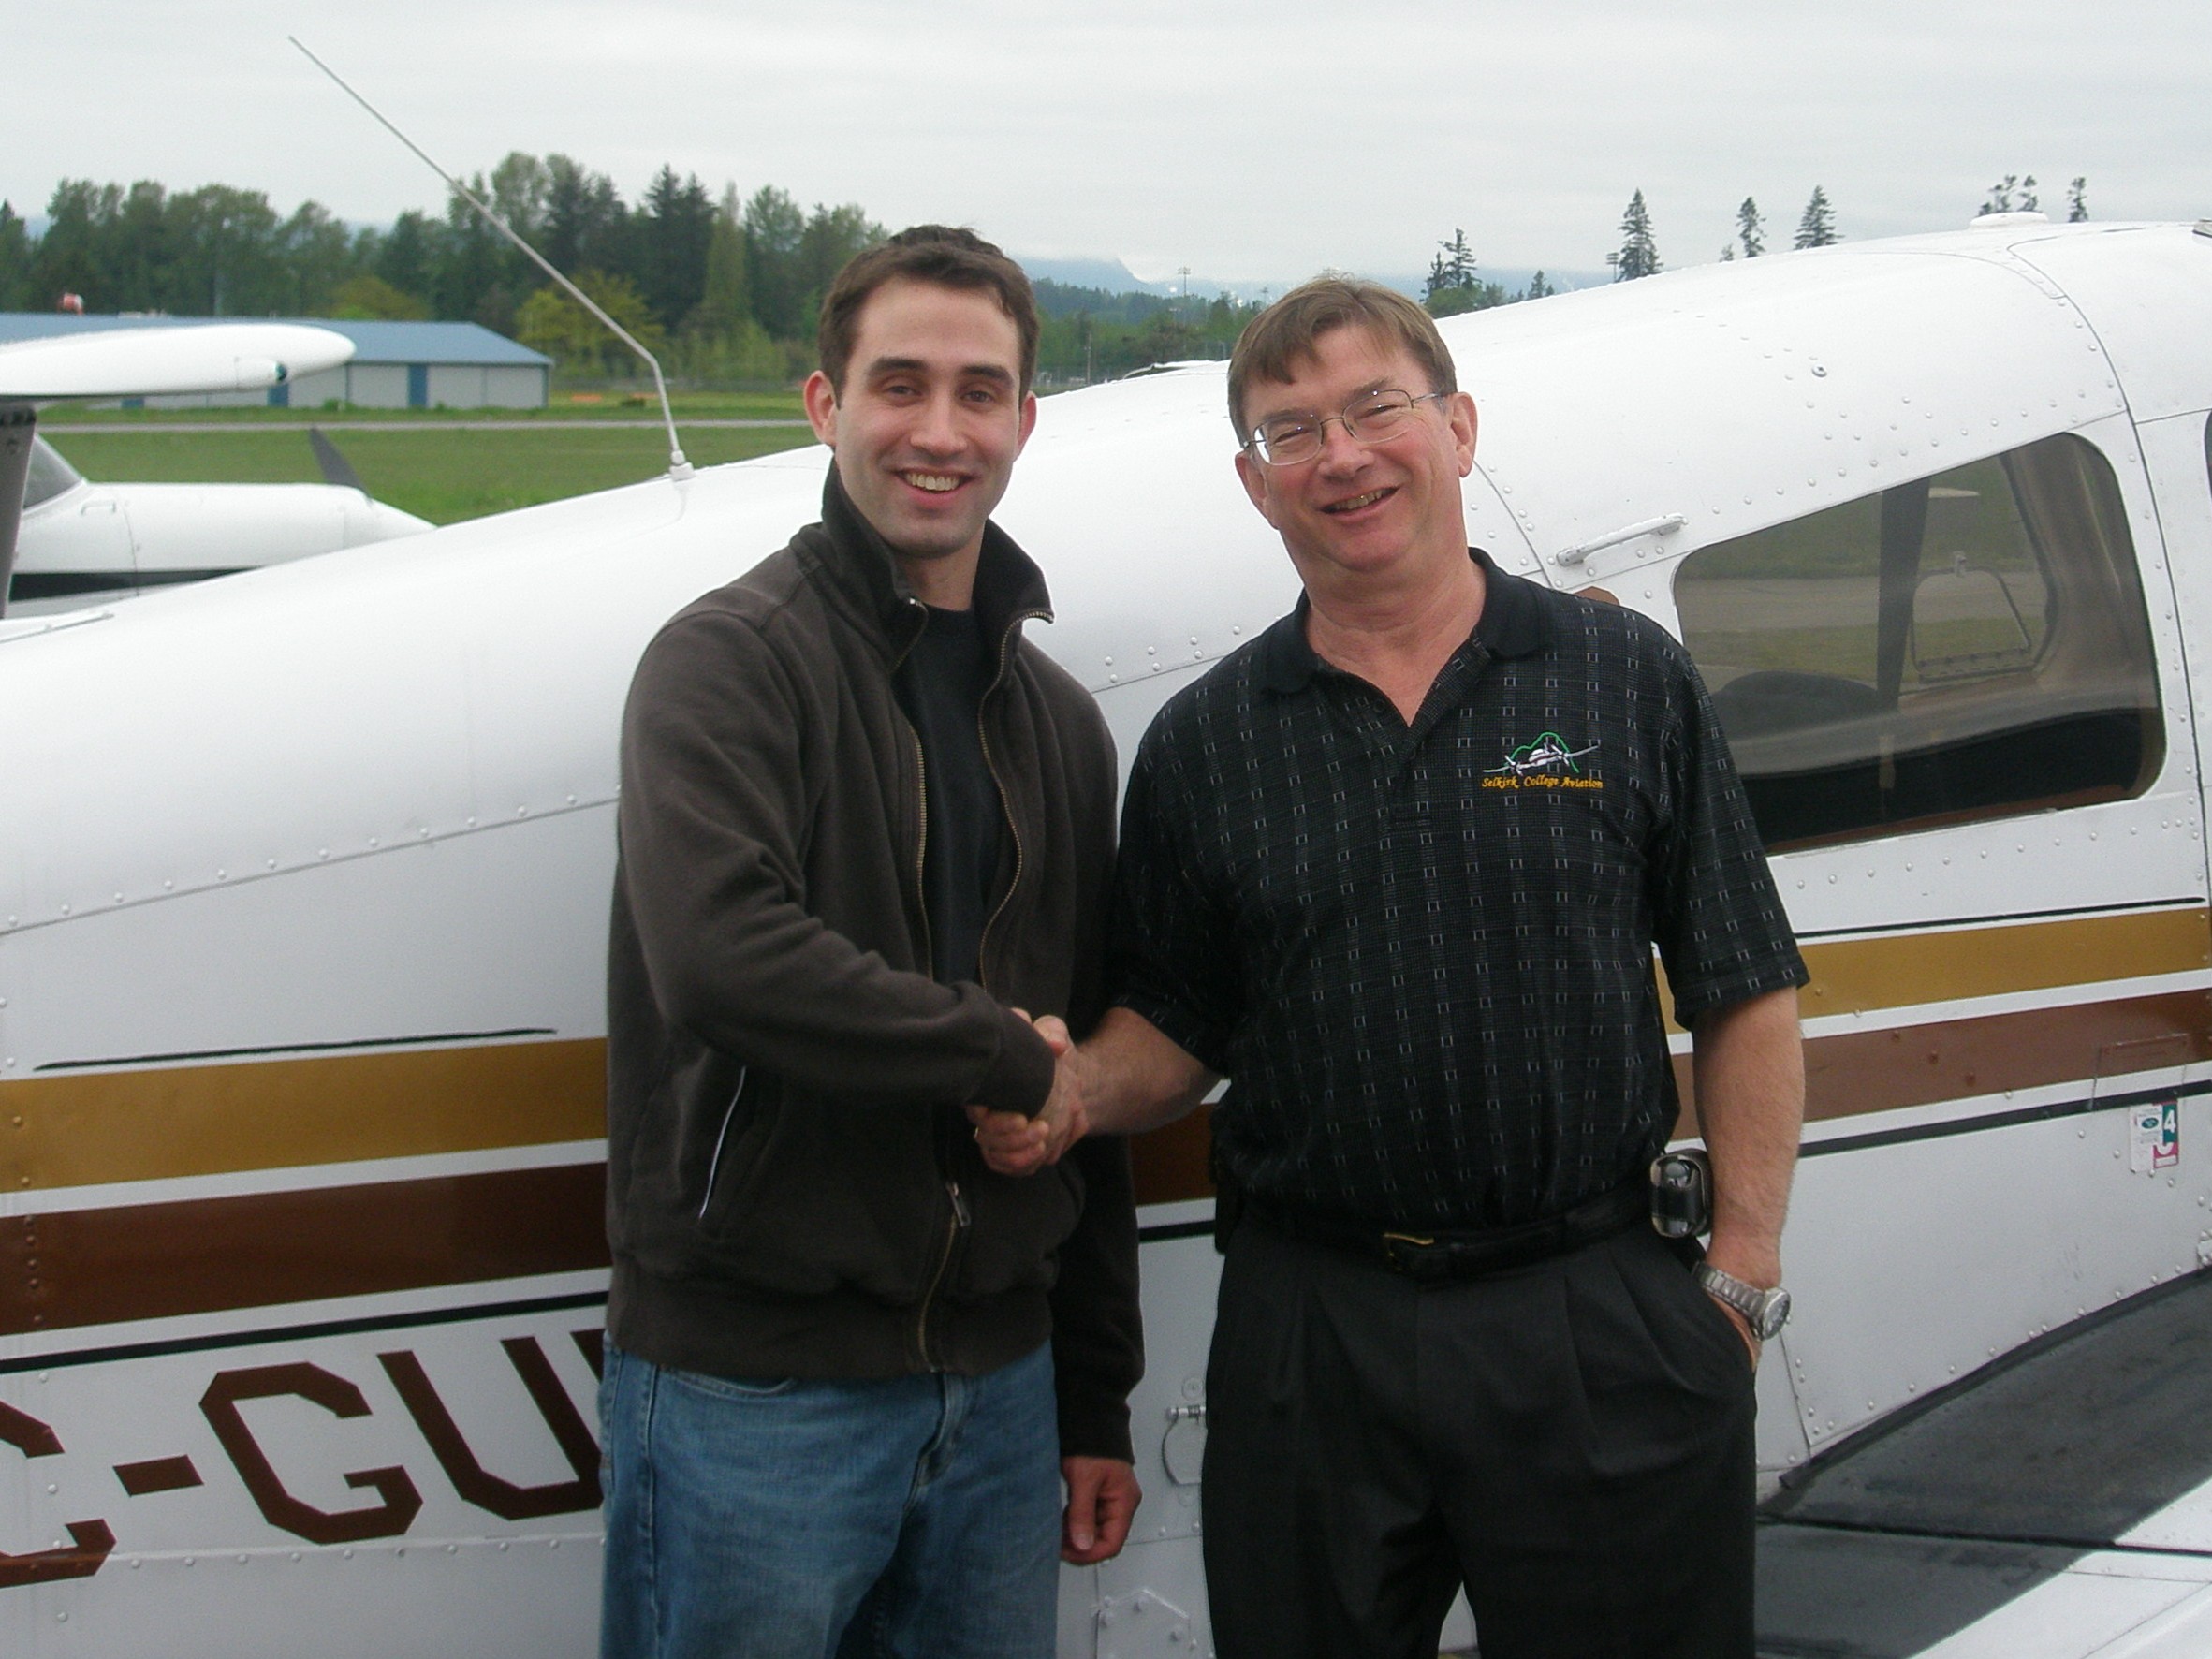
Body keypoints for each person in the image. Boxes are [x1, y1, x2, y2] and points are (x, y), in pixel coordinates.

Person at [982, 278, 1809, 1658]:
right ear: (1255, 487)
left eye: (1376, 408)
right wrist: (1071, 1094)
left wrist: (1739, 1276)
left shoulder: (1618, 676)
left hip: (1592, 1308)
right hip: (1315, 1333)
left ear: (1459, 428)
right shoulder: (1207, 741)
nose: (1342, 455)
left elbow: (1742, 982)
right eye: (1290, 430)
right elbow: (1175, 1026)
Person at [600, 225, 1142, 1659]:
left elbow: (1081, 1071)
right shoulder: (727, 663)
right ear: (824, 406)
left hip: (1005, 1390)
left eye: (979, 392)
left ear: (1025, 420)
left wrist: (1092, 1398)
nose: (939, 430)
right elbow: (721, 957)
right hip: (754, 1392)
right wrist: (995, 1054)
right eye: (898, 385)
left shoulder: (1059, 724)